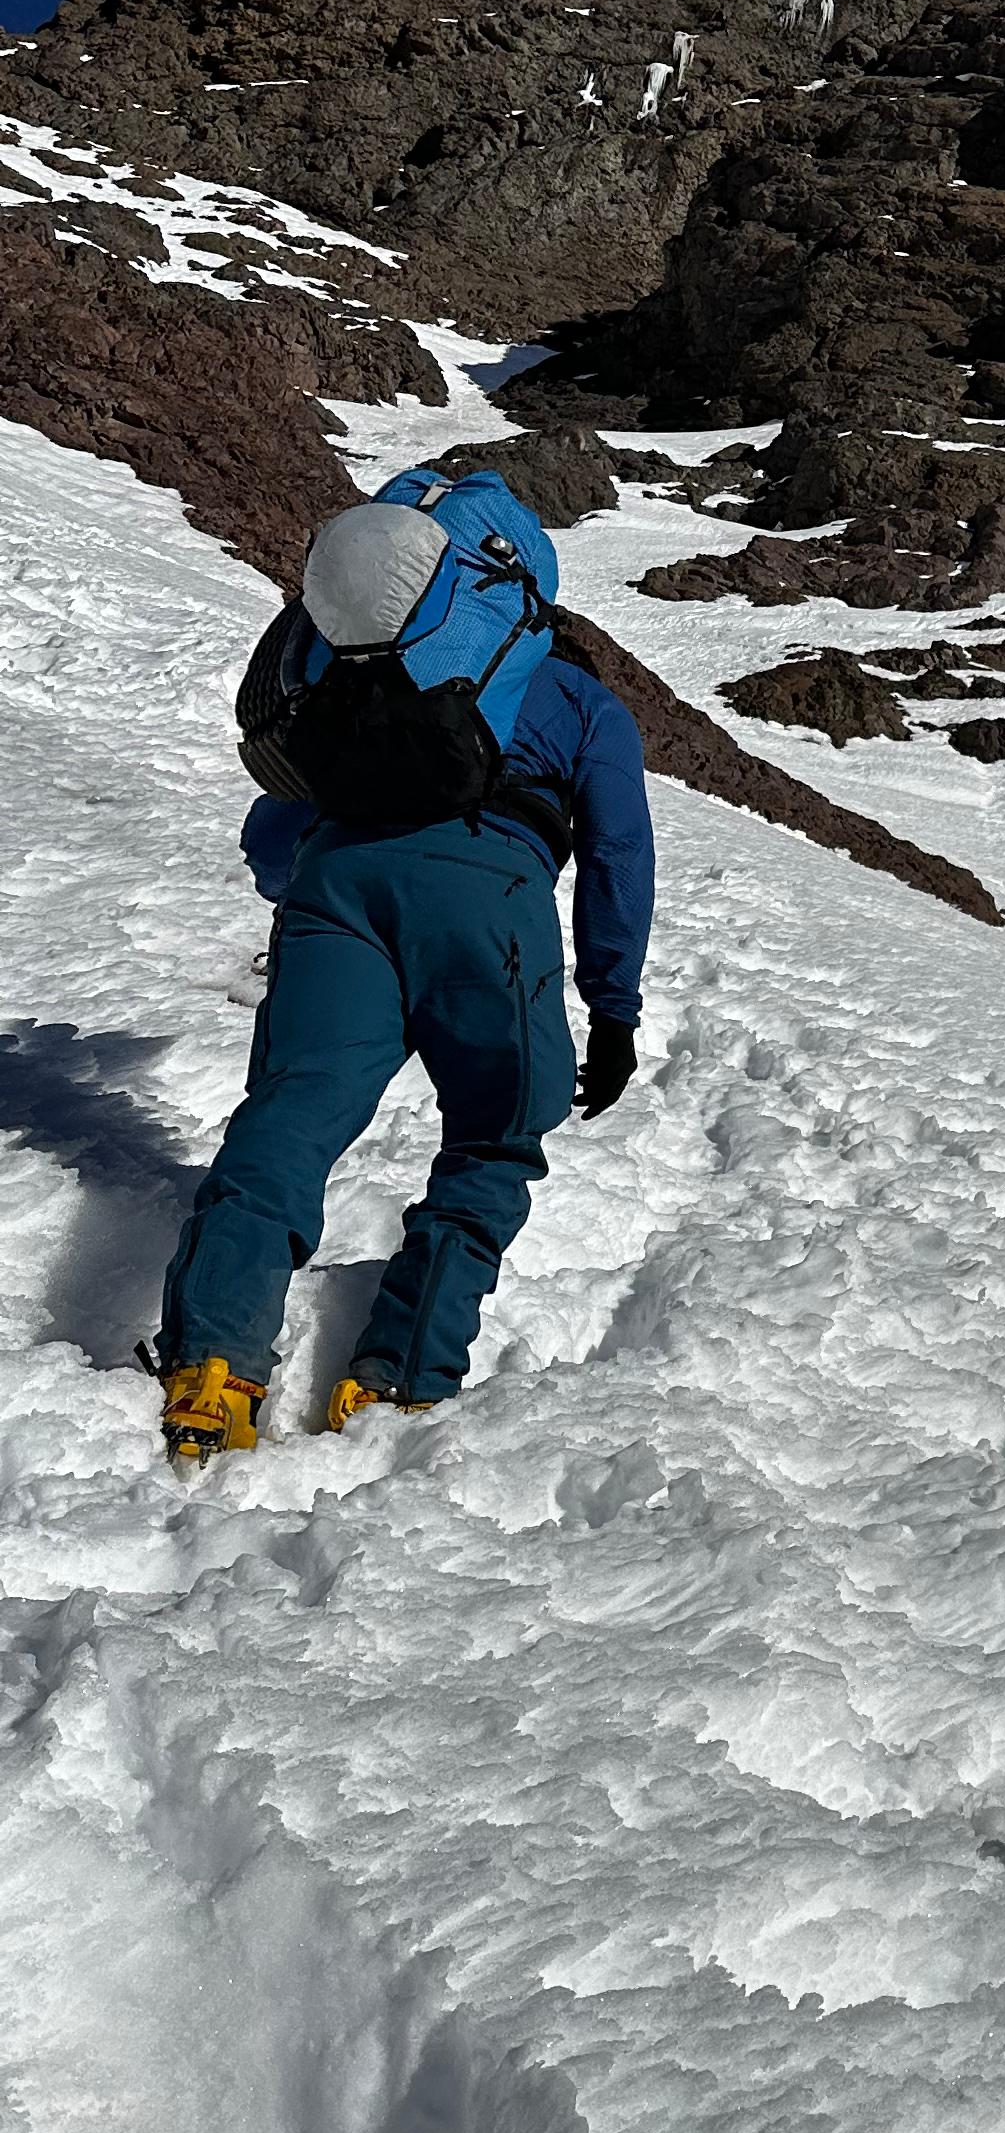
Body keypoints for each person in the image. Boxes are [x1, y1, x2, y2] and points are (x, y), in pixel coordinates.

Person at [152, 465, 655, 1463]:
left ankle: (213, 1366)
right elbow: (617, 855)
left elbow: (277, 827)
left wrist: (311, 901)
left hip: (336, 887)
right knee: (494, 1137)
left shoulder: (356, 671)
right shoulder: (578, 699)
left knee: (290, 1119)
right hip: (488, 900)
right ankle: (399, 1377)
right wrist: (613, 1007)